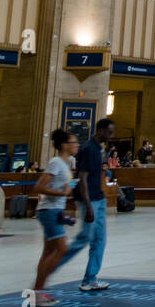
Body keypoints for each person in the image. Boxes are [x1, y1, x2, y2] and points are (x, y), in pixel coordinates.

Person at [54, 118, 115, 292]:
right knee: (85, 238)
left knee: (99, 240)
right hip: (91, 201)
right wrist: (88, 206)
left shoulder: (97, 149)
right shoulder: (88, 149)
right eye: (109, 132)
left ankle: (90, 278)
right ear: (101, 130)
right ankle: (53, 265)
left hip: (99, 198)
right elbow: (83, 178)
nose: (112, 135)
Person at [30, 128, 80, 307]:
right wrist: (60, 193)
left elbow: (68, 185)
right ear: (64, 145)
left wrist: (73, 185)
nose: (76, 145)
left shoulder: (67, 164)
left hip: (56, 211)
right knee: (61, 250)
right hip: (49, 210)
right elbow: (39, 187)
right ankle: (37, 290)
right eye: (74, 142)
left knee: (48, 253)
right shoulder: (55, 162)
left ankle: (38, 290)